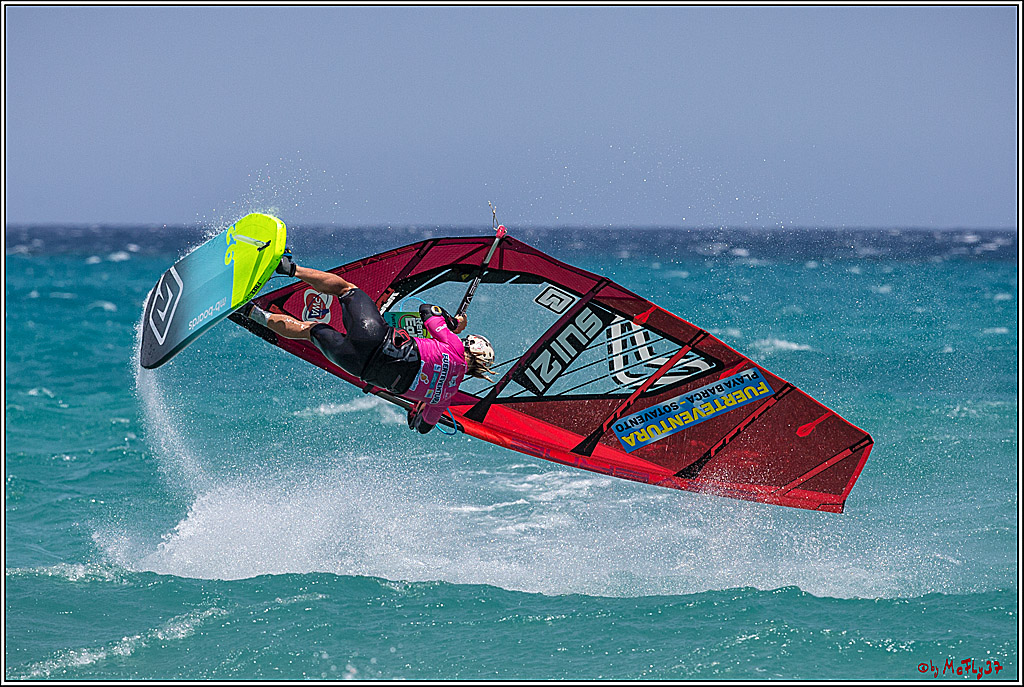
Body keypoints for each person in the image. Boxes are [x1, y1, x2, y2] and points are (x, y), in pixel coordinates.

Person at [242, 253, 495, 434]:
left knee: (346, 290)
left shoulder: (454, 345)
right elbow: (424, 427)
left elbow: (427, 310)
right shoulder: (444, 398)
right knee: (310, 331)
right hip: (358, 367)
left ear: (470, 345)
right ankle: (252, 314)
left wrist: (452, 323)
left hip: (374, 336)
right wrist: (416, 414)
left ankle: (289, 268)